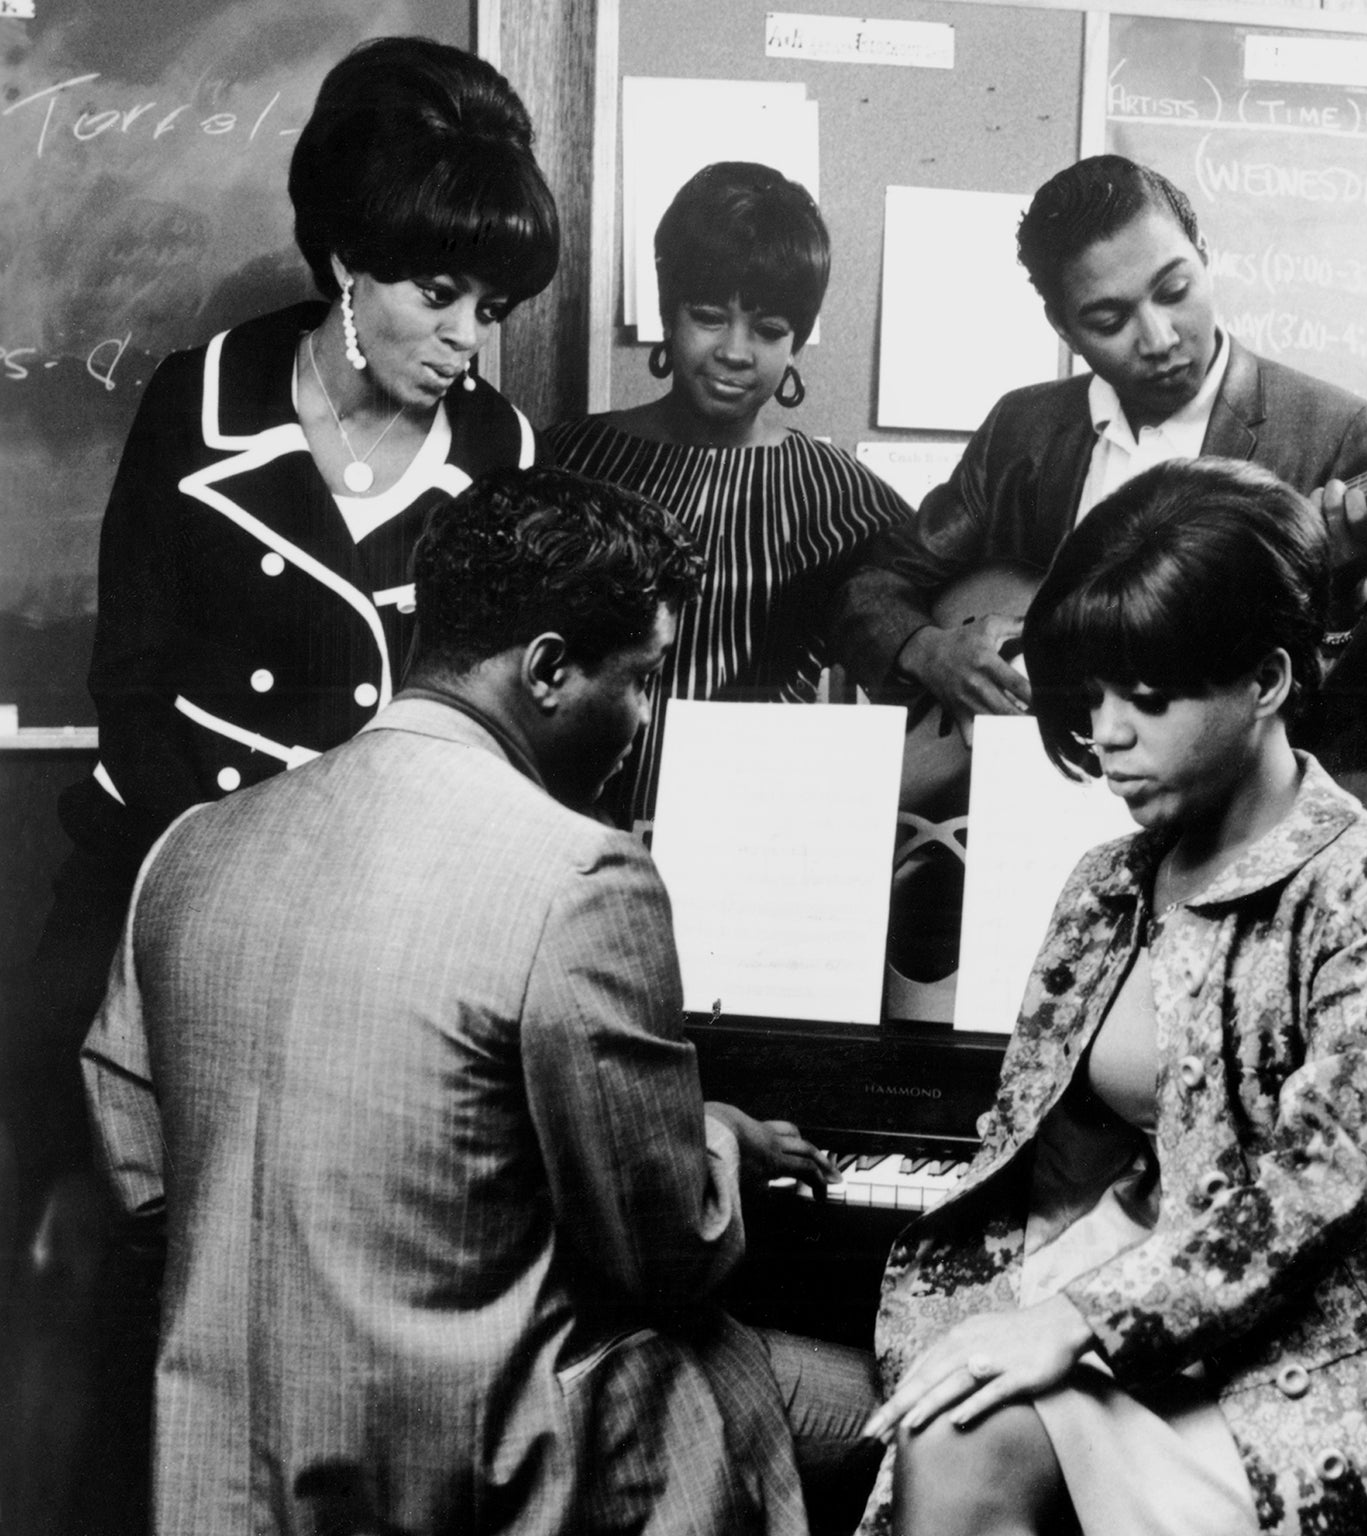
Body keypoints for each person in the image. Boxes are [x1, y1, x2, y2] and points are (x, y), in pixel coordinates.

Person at [79, 466, 881, 1536]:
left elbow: (144, 1180)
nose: (642, 719)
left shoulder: (187, 850)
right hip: (484, 1469)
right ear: (548, 669)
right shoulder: (581, 877)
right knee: (900, 1411)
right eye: (641, 678)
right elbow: (661, 1255)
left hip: (231, 1465)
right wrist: (716, 1145)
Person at [7, 36, 560, 1534]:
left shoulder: (500, 447)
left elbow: (487, 725)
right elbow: (133, 699)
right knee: (97, 1234)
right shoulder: (200, 399)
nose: (463, 340)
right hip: (167, 882)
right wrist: (260, 893)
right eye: (433, 294)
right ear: (343, 262)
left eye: (491, 309)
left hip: (389, 921)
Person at [854, 458, 1367, 1536]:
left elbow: (1311, 1197)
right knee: (948, 1434)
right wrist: (1008, 1301)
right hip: (1137, 1271)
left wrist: (1073, 1322)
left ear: (1267, 679)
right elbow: (1039, 1145)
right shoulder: (1105, 881)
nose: (1106, 736)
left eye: (1146, 697)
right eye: (1086, 697)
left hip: (1350, 1335)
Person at [828, 154, 1367, 773]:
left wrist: (1345, 601)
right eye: (1109, 320)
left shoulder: (1336, 435)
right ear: (1063, 326)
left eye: (1175, 291)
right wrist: (929, 650)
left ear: (1204, 252)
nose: (1159, 339)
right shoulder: (1023, 431)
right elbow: (869, 590)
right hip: (1025, 810)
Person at [547, 161, 912, 831]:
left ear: (797, 340)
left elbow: (922, 652)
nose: (736, 351)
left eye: (769, 330)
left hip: (745, 847)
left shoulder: (843, 500)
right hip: (557, 825)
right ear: (667, 311)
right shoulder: (564, 461)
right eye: (709, 317)